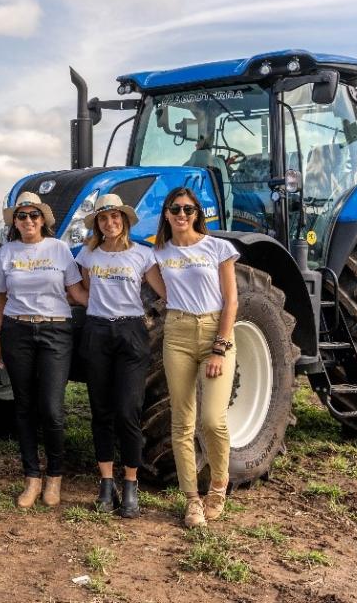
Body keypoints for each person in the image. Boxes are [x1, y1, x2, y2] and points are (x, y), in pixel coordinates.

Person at [0, 191, 87, 508]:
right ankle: (32, 477)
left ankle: (55, 477)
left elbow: (76, 293)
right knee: (24, 407)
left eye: (34, 215)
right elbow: (1, 297)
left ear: (43, 220)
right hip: (16, 329)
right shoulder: (6, 252)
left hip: (55, 330)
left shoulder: (59, 250)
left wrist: (119, 304)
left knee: (51, 408)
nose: (28, 220)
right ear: (15, 222)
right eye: (22, 216)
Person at [76, 194, 167, 517]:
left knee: (128, 410)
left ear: (124, 221)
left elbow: (163, 291)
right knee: (100, 410)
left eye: (115, 217)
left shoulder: (142, 256)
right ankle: (105, 483)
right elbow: (86, 292)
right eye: (103, 219)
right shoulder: (89, 256)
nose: (110, 223)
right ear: (98, 224)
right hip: (98, 332)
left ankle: (130, 483)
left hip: (131, 333)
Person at [153, 187, 239, 528]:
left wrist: (219, 346)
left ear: (196, 213)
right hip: (177, 332)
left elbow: (231, 301)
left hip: (215, 332)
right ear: (166, 213)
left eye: (188, 209)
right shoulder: (159, 252)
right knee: (181, 421)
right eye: (175, 208)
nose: (182, 214)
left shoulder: (217, 248)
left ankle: (218, 485)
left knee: (212, 420)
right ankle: (191, 500)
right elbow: (156, 283)